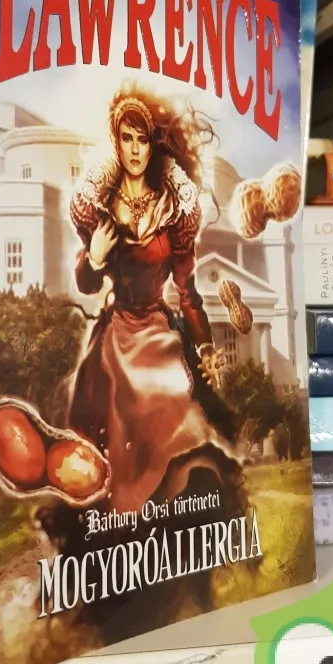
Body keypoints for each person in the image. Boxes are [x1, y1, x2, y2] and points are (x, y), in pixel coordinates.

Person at [68, 85, 246, 515]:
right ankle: (120, 513)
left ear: (152, 144)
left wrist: (205, 346)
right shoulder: (102, 207)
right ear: (117, 142)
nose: (134, 149)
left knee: (175, 401)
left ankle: (178, 501)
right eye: (126, 139)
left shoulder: (172, 211)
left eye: (142, 139)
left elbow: (187, 291)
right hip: (116, 333)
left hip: (157, 329)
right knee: (112, 404)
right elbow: (86, 283)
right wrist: (95, 256)